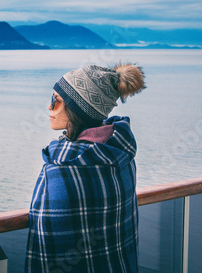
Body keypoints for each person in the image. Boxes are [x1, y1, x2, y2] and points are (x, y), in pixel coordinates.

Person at [25, 62, 146, 272]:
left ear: (78, 109)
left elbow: (48, 248)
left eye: (57, 101)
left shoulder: (62, 168)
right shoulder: (120, 153)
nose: (49, 107)